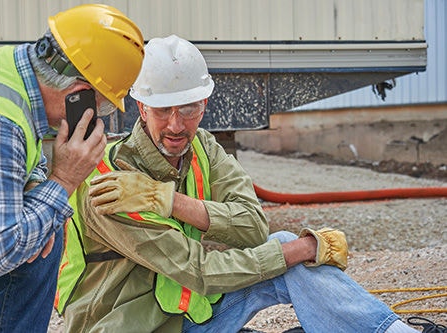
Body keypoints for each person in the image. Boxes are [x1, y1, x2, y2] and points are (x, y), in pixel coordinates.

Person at [58, 35, 423, 333]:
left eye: (188, 108)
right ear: (141, 108)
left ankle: (392, 332)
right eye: (163, 110)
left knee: (281, 245)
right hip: (128, 326)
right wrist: (303, 248)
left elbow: (252, 227)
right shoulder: (108, 182)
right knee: (288, 250)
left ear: (203, 105)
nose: (175, 125)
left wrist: (168, 200)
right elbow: (197, 271)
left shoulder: (203, 148)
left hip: (190, 316)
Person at [0, 4, 144, 332]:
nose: (101, 113)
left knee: (44, 224)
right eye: (104, 104)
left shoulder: (11, 73)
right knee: (44, 220)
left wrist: (39, 186)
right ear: (78, 95)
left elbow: (23, 160)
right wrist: (64, 179)